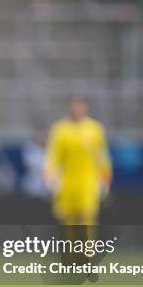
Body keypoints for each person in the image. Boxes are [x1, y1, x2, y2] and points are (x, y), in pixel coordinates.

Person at [44, 96, 111, 226]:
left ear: (86, 108)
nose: (77, 109)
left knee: (87, 216)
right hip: (66, 180)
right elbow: (53, 157)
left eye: (80, 106)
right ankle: (70, 245)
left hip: (88, 180)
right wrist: (51, 179)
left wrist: (104, 180)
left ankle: (86, 246)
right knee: (67, 218)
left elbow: (102, 157)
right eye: (74, 106)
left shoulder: (94, 129)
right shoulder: (60, 129)